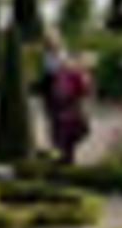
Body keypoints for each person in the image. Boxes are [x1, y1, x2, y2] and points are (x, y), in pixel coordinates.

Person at [36, 35, 94, 165]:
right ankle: (64, 156)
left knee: (75, 131)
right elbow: (59, 89)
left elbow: (84, 91)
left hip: (69, 105)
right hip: (63, 104)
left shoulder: (74, 71)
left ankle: (64, 154)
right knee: (63, 132)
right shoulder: (63, 71)